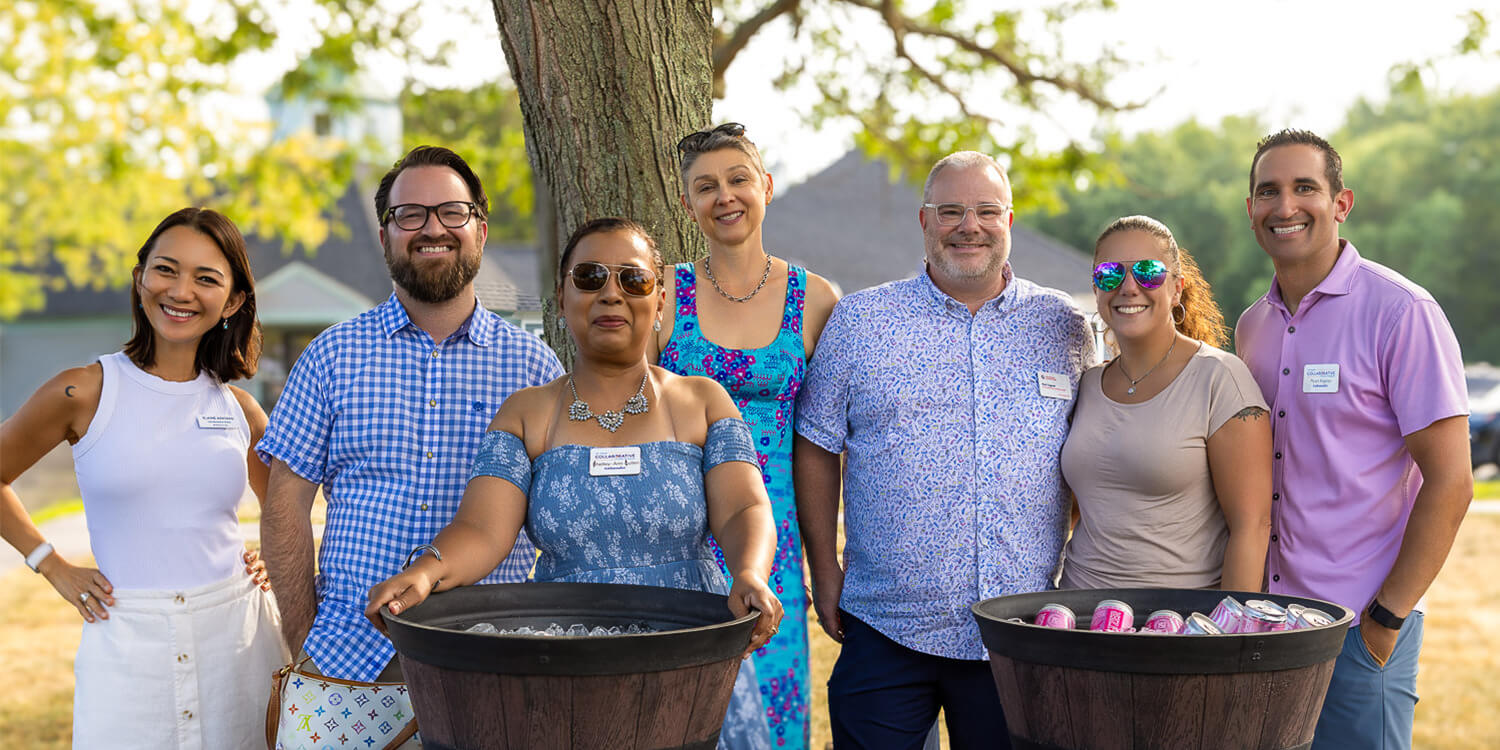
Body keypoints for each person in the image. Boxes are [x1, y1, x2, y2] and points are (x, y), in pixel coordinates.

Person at [367, 217, 783, 748]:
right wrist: (425, 571)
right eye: (589, 278)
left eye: (632, 280)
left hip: (690, 651)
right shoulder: (527, 413)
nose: (611, 293)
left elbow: (743, 508)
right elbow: (481, 530)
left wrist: (750, 572)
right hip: (566, 656)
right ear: (561, 299)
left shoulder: (703, 402)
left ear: (659, 301)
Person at [794, 151, 1093, 748]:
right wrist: (824, 573)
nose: (969, 226)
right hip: (887, 625)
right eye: (950, 211)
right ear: (924, 220)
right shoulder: (860, 322)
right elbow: (816, 447)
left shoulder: (1064, 325)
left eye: (985, 211)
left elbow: (1092, 450)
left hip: (1018, 627)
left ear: (1009, 219)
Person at [256, 145, 564, 690]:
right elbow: (285, 506)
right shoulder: (331, 356)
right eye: (410, 215)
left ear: (481, 230)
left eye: (452, 211)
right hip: (348, 656)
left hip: (495, 656)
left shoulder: (534, 366)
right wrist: (306, 642)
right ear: (384, 237)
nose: (432, 228)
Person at [0, 207, 287, 749]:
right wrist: (50, 563)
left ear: (232, 302)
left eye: (206, 278)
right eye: (166, 270)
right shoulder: (82, 391)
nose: (180, 291)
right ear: (140, 280)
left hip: (241, 640)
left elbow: (285, 515)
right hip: (125, 647)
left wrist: (271, 556)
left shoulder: (241, 411)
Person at [1236, 129, 1472, 750]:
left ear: (1341, 203)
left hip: (1358, 628)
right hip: (1266, 626)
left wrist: (1386, 620)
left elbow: (1451, 482)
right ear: (1252, 211)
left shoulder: (1402, 311)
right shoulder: (1252, 327)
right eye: (1268, 192)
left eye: (1304, 188)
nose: (1285, 206)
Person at [654, 121, 839, 748]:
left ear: (765, 185)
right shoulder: (661, 294)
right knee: (680, 707)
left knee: (775, 709)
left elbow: (823, 442)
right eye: (705, 187)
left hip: (776, 540)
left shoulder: (813, 298)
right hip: (678, 536)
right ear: (687, 203)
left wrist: (824, 561)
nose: (724, 196)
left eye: (738, 179)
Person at [1058, 215, 1271, 591]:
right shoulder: (1089, 383)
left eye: (1148, 272)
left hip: (1175, 629)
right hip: (1077, 625)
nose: (1128, 287)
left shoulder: (1220, 379)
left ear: (1176, 288)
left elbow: (1252, 528)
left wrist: (1223, 638)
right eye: (1109, 274)